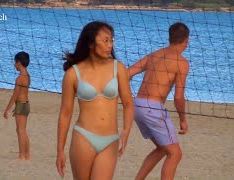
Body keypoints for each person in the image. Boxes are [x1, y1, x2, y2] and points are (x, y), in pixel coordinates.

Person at [56, 21, 134, 179]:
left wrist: (126, 131)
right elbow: (65, 114)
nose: (110, 45)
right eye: (105, 40)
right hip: (83, 138)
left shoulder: (118, 68)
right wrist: (60, 151)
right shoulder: (72, 74)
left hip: (110, 139)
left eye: (112, 40)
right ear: (91, 43)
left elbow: (128, 104)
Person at [128, 22, 190, 180]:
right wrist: (183, 119)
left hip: (138, 106)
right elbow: (178, 97)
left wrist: (126, 98)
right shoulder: (181, 63)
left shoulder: (154, 54)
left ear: (169, 38)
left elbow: (127, 73)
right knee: (175, 153)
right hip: (153, 108)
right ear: (187, 40)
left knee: (163, 149)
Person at [3, 51, 31, 160]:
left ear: (19, 62)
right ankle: (27, 154)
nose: (14, 65)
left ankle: (22, 155)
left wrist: (7, 109)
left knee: (20, 130)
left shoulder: (20, 78)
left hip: (21, 105)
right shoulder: (27, 75)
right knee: (22, 130)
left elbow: (15, 95)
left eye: (15, 62)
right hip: (26, 104)